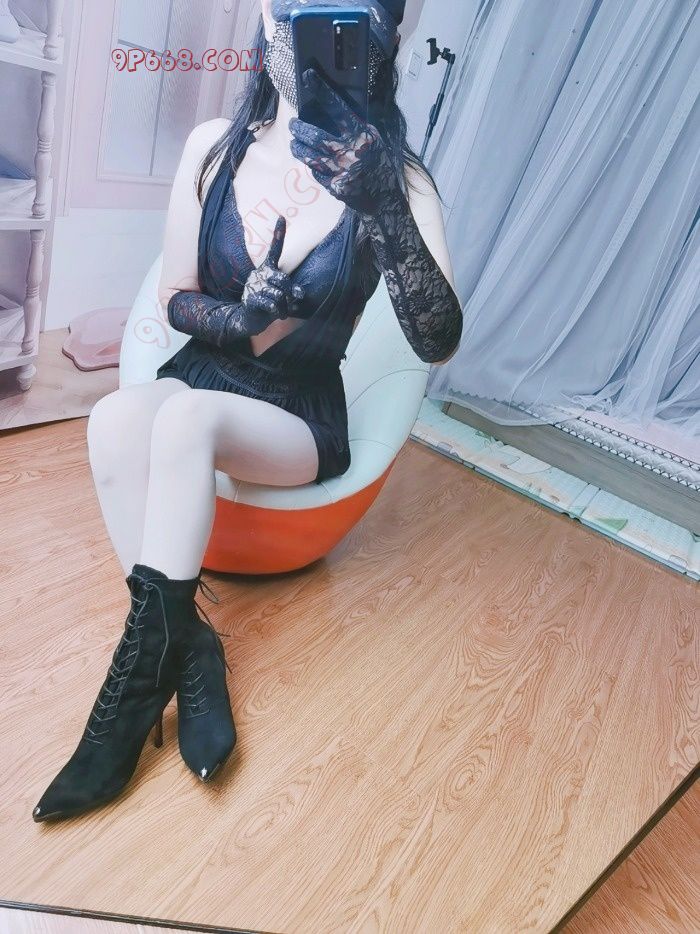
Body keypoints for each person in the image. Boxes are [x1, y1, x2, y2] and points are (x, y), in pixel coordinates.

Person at [32, 0, 463, 823]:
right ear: (268, 23)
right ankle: (189, 648)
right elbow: (175, 296)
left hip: (299, 413)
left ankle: (126, 707)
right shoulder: (214, 148)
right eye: (296, 13)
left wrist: (383, 208)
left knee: (184, 419)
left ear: (385, 36)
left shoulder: (399, 180)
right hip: (205, 368)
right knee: (113, 419)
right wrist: (244, 317)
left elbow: (436, 339)